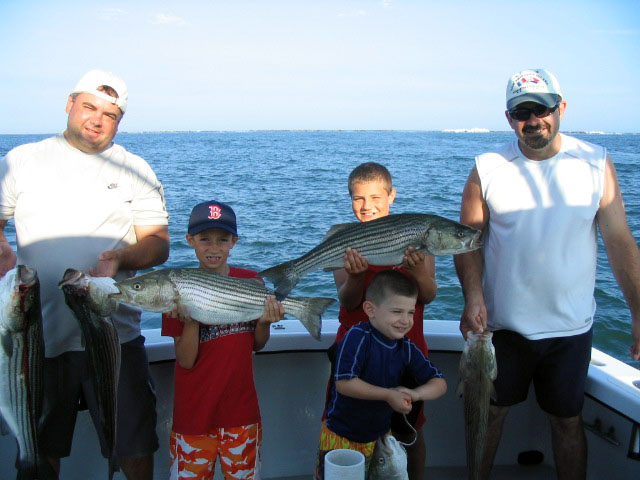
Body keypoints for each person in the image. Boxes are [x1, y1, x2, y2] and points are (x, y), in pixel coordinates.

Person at [454, 68, 640, 480]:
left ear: (562, 109)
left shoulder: (596, 163)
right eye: (522, 112)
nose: (534, 119)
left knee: (568, 421)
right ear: (509, 118)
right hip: (502, 328)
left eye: (543, 109)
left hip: (571, 329)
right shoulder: (486, 167)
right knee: (490, 416)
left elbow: (620, 242)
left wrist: (638, 312)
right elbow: (467, 242)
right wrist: (473, 297)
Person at [0, 70, 170, 479]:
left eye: (109, 114)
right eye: (89, 107)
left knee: (133, 445)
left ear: (119, 122)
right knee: (39, 447)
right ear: (69, 104)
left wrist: (123, 259)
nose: (96, 119)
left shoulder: (136, 168)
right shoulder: (21, 160)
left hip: (115, 333)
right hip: (35, 333)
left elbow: (159, 244)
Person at [328, 161, 437, 480]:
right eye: (358, 198)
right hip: (355, 356)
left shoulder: (418, 235)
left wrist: (417, 272)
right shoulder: (344, 239)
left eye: (376, 197)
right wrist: (356, 277)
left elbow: (428, 295)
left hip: (406, 353)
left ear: (392, 196)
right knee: (346, 431)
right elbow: (348, 301)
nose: (367, 206)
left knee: (410, 432)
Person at [161, 200, 284, 480]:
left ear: (234, 242)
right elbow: (186, 360)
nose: (213, 248)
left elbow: (256, 344)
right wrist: (191, 320)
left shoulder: (251, 280)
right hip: (193, 415)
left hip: (241, 411)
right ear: (190, 240)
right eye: (204, 239)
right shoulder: (176, 289)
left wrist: (264, 322)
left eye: (222, 239)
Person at [315, 269, 447, 479]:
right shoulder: (357, 337)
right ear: (370, 309)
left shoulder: (406, 348)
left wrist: (416, 394)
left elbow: (439, 383)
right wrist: (388, 395)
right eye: (396, 312)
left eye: (410, 312)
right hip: (342, 437)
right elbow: (345, 384)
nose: (405, 320)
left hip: (379, 440)